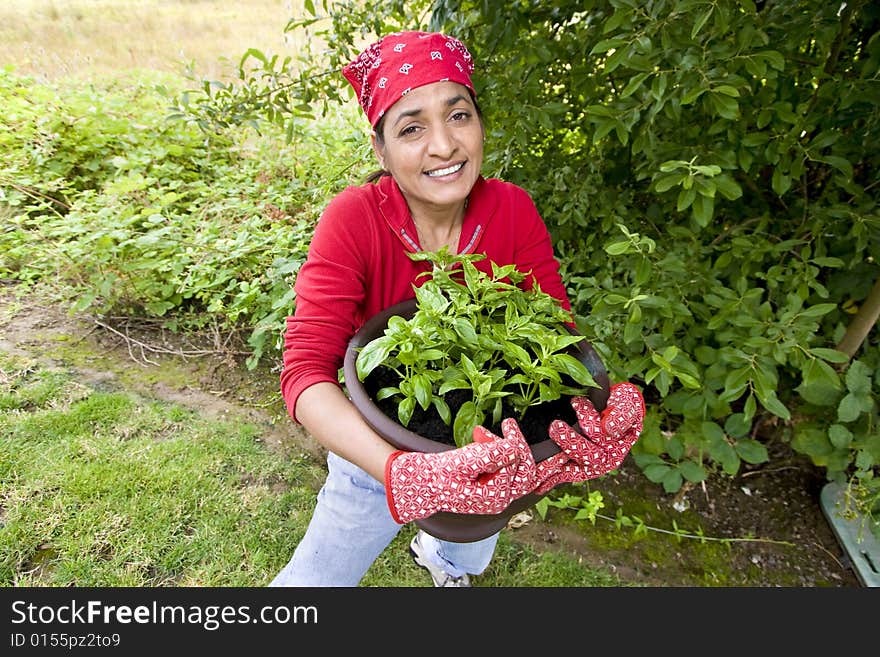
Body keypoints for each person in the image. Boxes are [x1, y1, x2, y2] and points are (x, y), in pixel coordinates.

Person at [271, 30, 645, 587]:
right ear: (381, 150)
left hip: (493, 447)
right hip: (373, 450)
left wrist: (593, 411)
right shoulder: (355, 219)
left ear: (479, 124)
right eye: (412, 127)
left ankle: (446, 563)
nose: (444, 146)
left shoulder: (511, 209)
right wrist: (400, 473)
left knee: (470, 544)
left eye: (459, 115)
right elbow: (304, 374)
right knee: (318, 581)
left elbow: (556, 331)